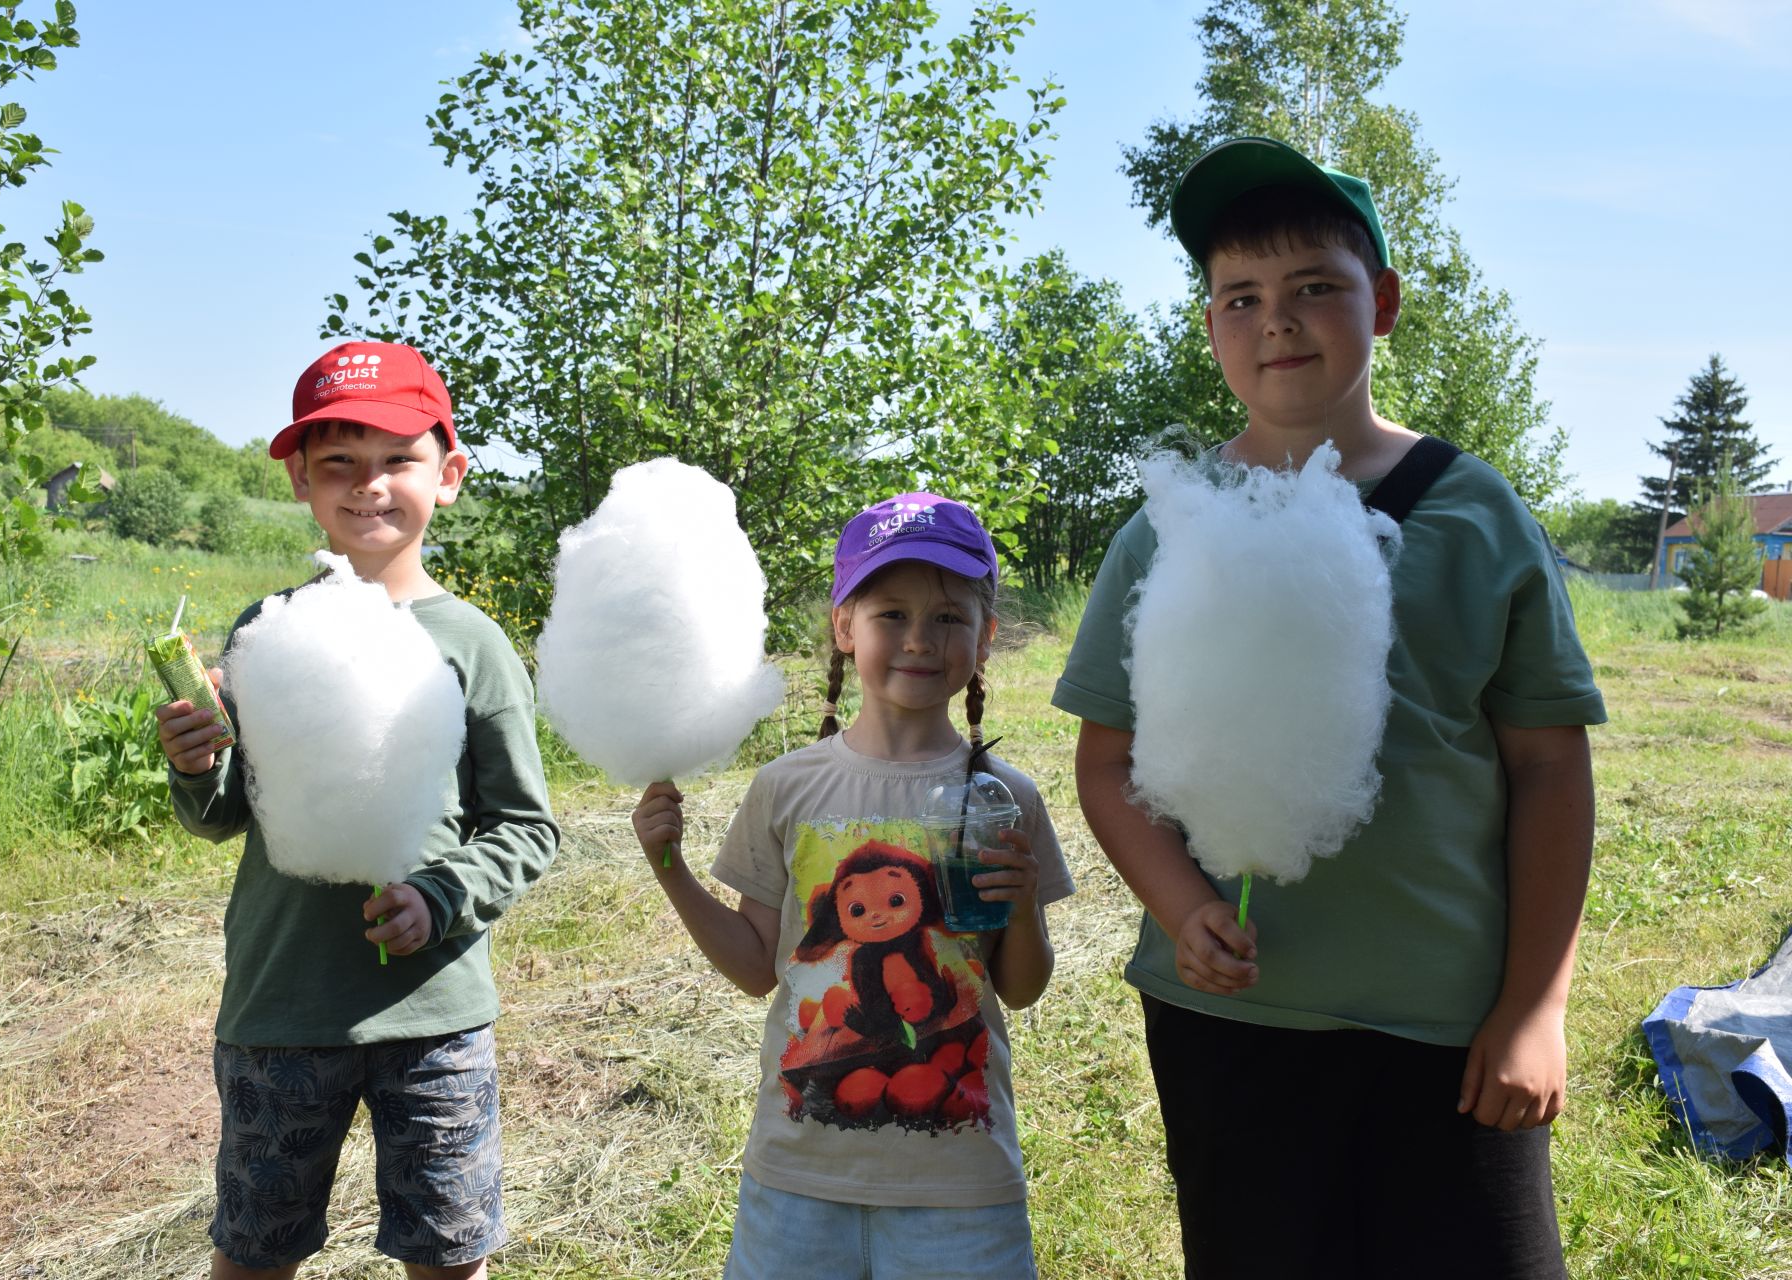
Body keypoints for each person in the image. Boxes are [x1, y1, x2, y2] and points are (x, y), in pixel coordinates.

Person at [1055, 137, 1605, 1279]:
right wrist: (1182, 900)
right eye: (1240, 297)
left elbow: (1550, 766)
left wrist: (1534, 1007)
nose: (1278, 319)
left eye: (1316, 286)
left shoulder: (1474, 514)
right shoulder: (1169, 526)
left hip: (1450, 1026)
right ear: (1210, 328)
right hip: (1232, 1027)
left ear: (1384, 303)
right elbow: (1108, 764)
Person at [155, 341, 560, 1280]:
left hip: (434, 1014)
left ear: (447, 476)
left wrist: (441, 895)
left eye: (397, 460)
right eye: (338, 462)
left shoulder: (472, 643)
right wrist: (193, 763)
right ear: (300, 477)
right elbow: (224, 816)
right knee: (254, 1250)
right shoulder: (269, 632)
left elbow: (525, 826)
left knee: (449, 1255)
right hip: (281, 1002)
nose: (368, 486)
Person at [632, 494, 1074, 1279]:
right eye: (890, 614)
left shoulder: (1008, 798)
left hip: (962, 1186)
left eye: (947, 618)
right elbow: (753, 965)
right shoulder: (787, 787)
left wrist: (1024, 911)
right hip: (798, 1182)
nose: (918, 640)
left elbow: (1022, 986)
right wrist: (671, 870)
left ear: (987, 637)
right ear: (844, 628)